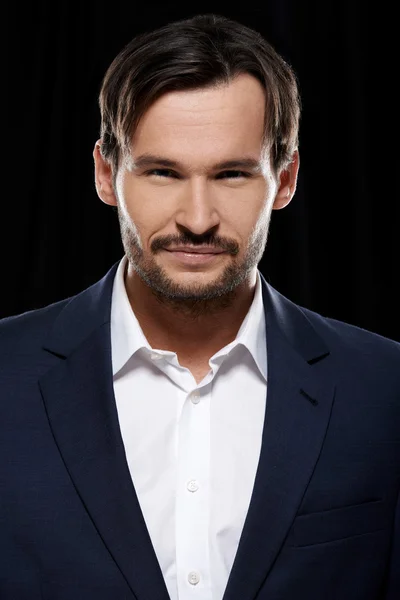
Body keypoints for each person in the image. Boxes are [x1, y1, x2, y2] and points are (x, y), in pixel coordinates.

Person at [0, 12, 398, 600]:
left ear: (284, 180)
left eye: (232, 174)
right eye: (162, 172)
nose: (197, 218)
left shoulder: (385, 386)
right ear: (106, 175)